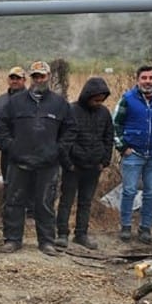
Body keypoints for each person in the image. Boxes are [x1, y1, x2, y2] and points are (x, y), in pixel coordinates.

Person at [0, 61, 77, 256]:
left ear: (48, 77)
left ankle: (46, 242)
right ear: (30, 78)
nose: (38, 79)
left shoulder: (60, 103)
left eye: (42, 76)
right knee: (13, 202)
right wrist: (9, 146)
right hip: (19, 161)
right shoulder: (15, 102)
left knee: (45, 203)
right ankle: (12, 240)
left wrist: (58, 149)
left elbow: (70, 129)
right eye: (35, 76)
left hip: (48, 163)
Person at [112, 65, 152, 244]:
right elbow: (115, 124)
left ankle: (145, 228)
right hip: (133, 153)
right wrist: (123, 147)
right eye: (144, 78)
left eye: (151, 78)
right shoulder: (127, 99)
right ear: (138, 80)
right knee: (129, 191)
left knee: (151, 192)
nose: (147, 81)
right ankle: (125, 226)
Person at [56, 76, 114, 249]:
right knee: (66, 201)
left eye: (101, 99)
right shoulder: (71, 110)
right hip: (73, 166)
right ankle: (62, 234)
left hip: (94, 167)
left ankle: (81, 234)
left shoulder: (104, 113)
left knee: (86, 202)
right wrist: (68, 163)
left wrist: (104, 161)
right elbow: (63, 140)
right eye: (95, 99)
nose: (98, 102)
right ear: (87, 95)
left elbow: (109, 137)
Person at [0, 66, 26, 184]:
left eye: (18, 78)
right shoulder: (0, 101)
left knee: (25, 185)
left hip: (27, 152)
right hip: (7, 152)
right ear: (8, 80)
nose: (15, 81)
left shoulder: (31, 100)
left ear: (24, 80)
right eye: (12, 78)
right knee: (8, 183)